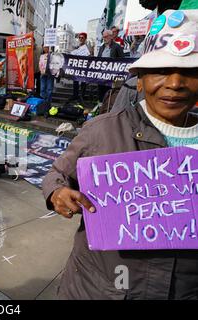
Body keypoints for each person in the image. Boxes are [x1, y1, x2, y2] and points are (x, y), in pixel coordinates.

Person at [42, 9, 198, 300]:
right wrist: (58, 193)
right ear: (139, 81)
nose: (175, 84)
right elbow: (57, 175)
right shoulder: (103, 131)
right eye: (161, 71)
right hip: (102, 289)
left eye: (189, 72)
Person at [97, 30, 125, 101]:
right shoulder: (101, 47)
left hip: (112, 76)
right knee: (101, 92)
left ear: (111, 36)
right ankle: (100, 106)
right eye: (103, 37)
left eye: (106, 37)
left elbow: (123, 60)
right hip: (102, 75)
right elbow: (97, 59)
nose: (104, 38)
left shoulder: (117, 47)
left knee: (110, 93)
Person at [70, 32, 92, 103]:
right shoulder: (77, 47)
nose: (80, 39)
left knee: (83, 82)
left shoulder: (88, 47)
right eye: (79, 37)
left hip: (84, 67)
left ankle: (82, 96)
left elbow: (91, 57)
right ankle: (75, 95)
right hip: (76, 67)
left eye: (82, 38)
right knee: (75, 81)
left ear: (85, 39)